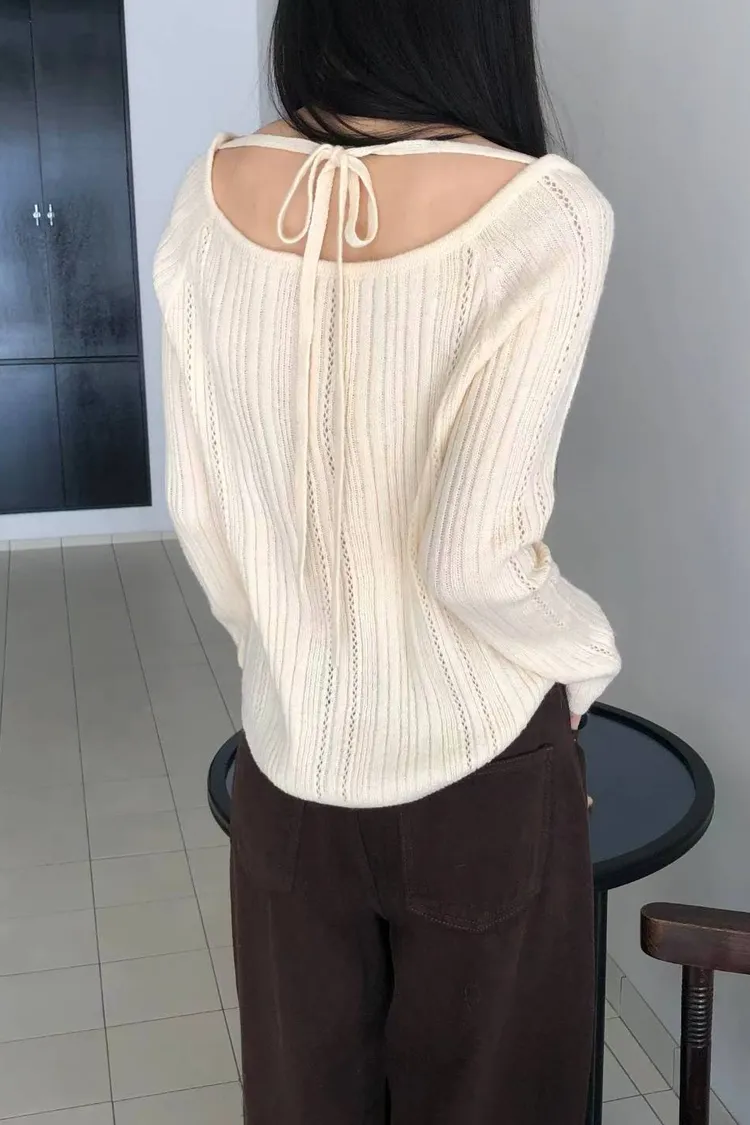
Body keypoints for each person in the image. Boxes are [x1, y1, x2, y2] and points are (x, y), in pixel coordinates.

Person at [155, 0, 621, 1120]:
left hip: (287, 766)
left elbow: (199, 514)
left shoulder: (209, 193)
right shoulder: (547, 213)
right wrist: (585, 658)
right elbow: (472, 553)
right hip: (480, 770)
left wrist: (291, 656)